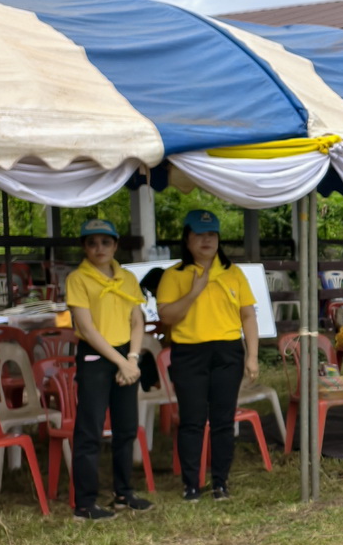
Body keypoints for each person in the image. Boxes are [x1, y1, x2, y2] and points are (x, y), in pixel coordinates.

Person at [155, 210, 259, 502]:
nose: (206, 240)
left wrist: (252, 356)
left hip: (227, 350)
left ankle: (220, 482)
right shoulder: (174, 275)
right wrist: (193, 292)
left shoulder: (233, 273)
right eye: (199, 235)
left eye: (211, 234)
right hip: (189, 352)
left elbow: (248, 315)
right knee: (192, 420)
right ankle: (191, 484)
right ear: (187, 239)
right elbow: (167, 317)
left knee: (224, 419)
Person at [63, 219, 152, 520]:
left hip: (127, 357)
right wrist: (120, 361)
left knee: (126, 428)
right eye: (92, 242)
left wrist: (134, 358)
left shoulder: (126, 277)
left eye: (105, 242)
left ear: (115, 245)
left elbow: (137, 320)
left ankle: (123, 494)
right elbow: (86, 328)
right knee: (90, 430)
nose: (99, 248)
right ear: (84, 247)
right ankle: (85, 504)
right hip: (97, 357)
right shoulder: (78, 279)